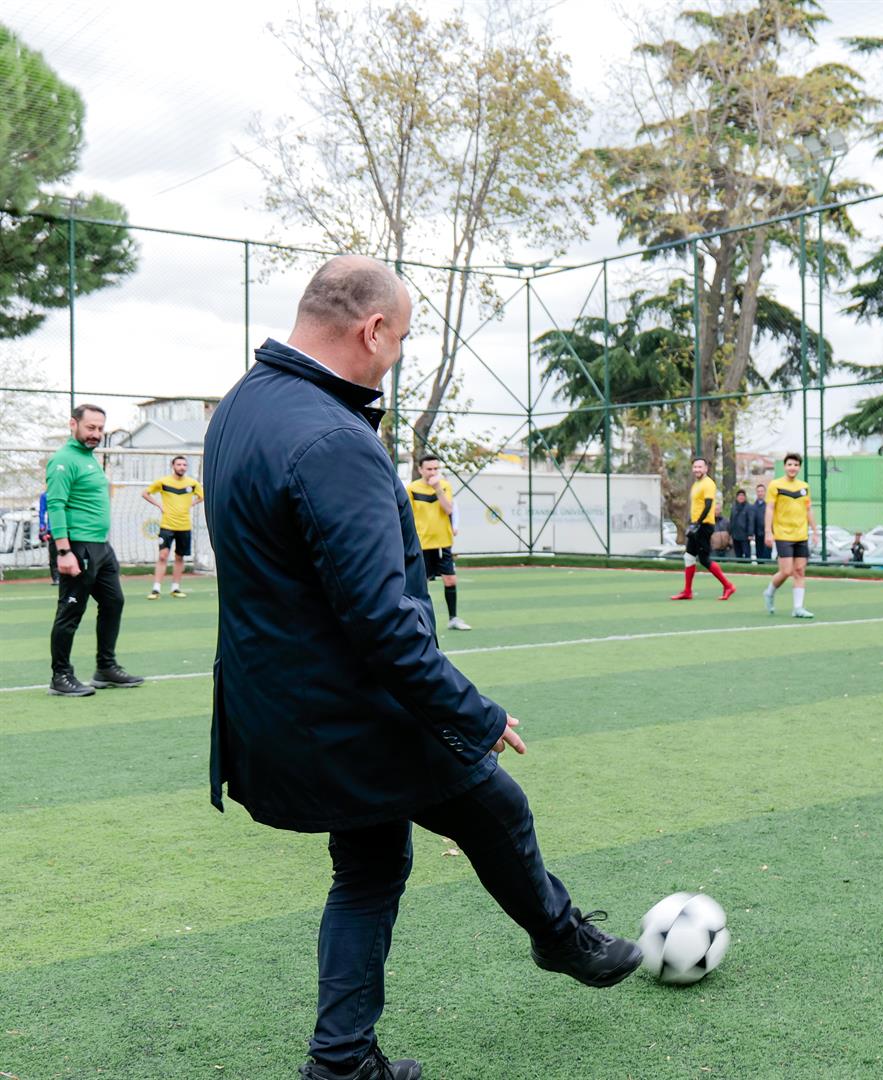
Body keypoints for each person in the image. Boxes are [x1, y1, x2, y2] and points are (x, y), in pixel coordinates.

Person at [205, 257, 640, 1080]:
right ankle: (560, 938)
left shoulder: (240, 407)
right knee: (496, 808)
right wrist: (471, 713)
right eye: (399, 339)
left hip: (279, 707)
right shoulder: (335, 439)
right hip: (353, 713)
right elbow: (384, 623)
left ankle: (341, 1062)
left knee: (370, 865)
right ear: (371, 330)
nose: (396, 356)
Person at [45, 403, 144, 697]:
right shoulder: (63, 460)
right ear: (72, 424)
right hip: (77, 546)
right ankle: (60, 676)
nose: (96, 434)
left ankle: (105, 668)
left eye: (100, 429)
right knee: (71, 611)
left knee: (114, 602)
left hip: (101, 546)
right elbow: (56, 505)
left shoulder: (90, 459)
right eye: (90, 427)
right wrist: (63, 551)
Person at [406, 454, 471, 630]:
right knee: (421, 584)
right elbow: (408, 516)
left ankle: (453, 619)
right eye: (429, 469)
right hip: (422, 543)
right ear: (420, 469)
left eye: (436, 468)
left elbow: (448, 509)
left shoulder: (444, 486)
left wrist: (437, 488)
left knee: (450, 580)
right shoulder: (411, 488)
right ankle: (419, 621)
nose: (433, 472)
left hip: (443, 542)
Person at [670, 457, 735, 601]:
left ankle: (728, 585)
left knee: (704, 559)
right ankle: (687, 591)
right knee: (689, 557)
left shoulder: (708, 484)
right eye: (695, 467)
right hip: (697, 525)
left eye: (700, 467)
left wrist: (697, 523)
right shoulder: (696, 484)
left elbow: (708, 505)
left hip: (704, 526)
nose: (697, 470)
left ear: (706, 469)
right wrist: (692, 523)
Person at [142, 454, 205, 599]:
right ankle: (156, 588)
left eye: (184, 465)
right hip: (167, 525)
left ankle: (175, 588)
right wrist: (159, 505)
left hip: (184, 526)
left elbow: (202, 496)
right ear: (173, 466)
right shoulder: (163, 482)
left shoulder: (192, 483)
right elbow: (145, 493)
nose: (182, 467)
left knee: (179, 557)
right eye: (179, 465)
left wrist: (191, 504)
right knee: (163, 556)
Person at [763, 452, 816, 618]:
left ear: (799, 467)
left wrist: (815, 531)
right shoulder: (775, 485)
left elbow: (808, 509)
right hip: (783, 534)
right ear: (785, 466)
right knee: (786, 571)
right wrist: (768, 532)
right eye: (789, 465)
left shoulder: (804, 487)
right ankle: (770, 592)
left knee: (800, 571)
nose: (792, 468)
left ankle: (798, 608)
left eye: (796, 465)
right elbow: (770, 509)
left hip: (801, 535)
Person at [37, 489, 59, 585]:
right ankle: (56, 578)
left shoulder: (66, 491)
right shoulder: (45, 495)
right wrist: (42, 528)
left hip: (68, 528)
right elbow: (42, 512)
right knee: (54, 554)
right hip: (52, 529)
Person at [730, 489, 754, 561]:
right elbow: (731, 519)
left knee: (747, 553)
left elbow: (751, 521)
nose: (741, 497)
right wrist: (730, 532)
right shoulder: (734, 507)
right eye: (739, 495)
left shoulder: (748, 507)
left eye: (743, 495)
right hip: (735, 535)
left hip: (745, 536)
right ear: (737, 497)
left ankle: (747, 568)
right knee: (738, 554)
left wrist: (750, 533)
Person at [752, 482, 770, 561]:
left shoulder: (769, 506)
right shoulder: (753, 507)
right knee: (759, 554)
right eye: (758, 491)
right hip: (758, 534)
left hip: (768, 534)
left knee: (767, 554)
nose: (760, 493)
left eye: (762, 491)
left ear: (765, 492)